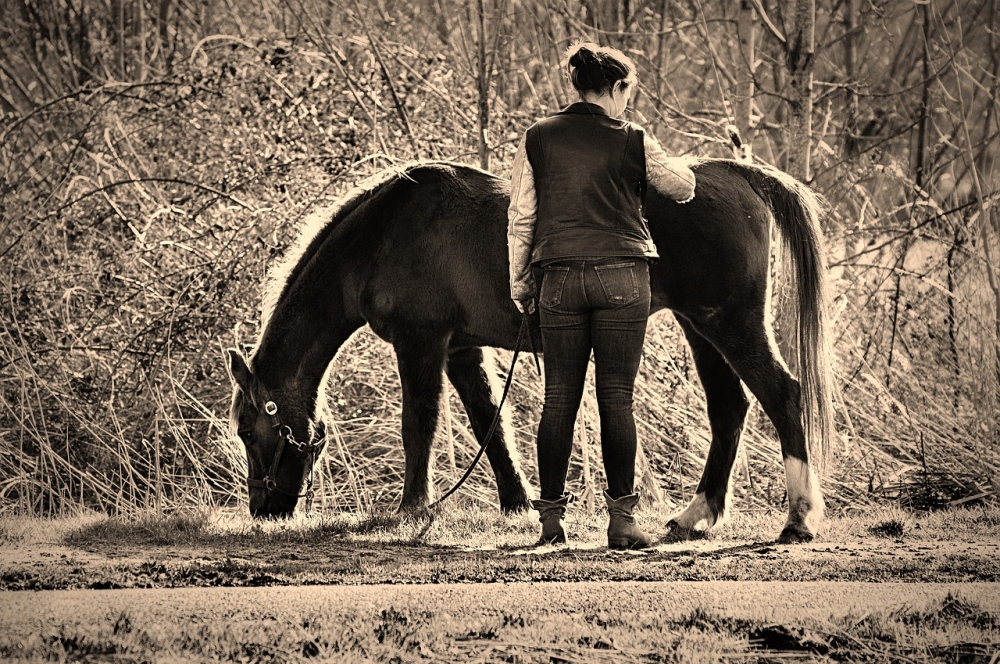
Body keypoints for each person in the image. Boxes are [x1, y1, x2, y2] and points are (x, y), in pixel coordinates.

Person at [507, 42, 696, 549]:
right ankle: (621, 523)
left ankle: (550, 523)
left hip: (559, 277)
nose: (626, 104)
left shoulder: (538, 137)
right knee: (617, 398)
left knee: (558, 399)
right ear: (615, 88)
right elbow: (680, 187)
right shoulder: (633, 138)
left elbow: (522, 217)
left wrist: (520, 282)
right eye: (626, 93)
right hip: (622, 277)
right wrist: (677, 162)